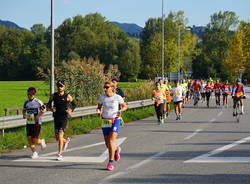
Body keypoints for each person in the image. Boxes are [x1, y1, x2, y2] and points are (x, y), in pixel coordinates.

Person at [96, 81, 127, 171]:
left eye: (107, 87)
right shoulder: (102, 97)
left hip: (115, 120)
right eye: (104, 87)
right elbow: (98, 107)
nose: (105, 89)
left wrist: (120, 111)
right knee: (107, 144)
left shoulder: (117, 97)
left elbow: (125, 106)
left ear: (112, 88)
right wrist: (98, 110)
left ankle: (110, 162)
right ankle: (116, 149)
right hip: (105, 121)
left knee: (111, 140)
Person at [47, 80, 76, 161]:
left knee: (60, 134)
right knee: (57, 138)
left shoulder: (67, 96)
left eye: (61, 86)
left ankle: (59, 153)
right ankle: (65, 140)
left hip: (64, 117)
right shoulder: (53, 95)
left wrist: (71, 110)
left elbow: (74, 104)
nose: (59, 88)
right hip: (56, 117)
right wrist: (51, 108)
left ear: (64, 87)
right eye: (58, 86)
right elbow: (48, 104)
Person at [23, 87, 46, 159]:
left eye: (31, 94)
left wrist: (38, 115)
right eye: (29, 94)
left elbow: (44, 110)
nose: (30, 95)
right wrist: (24, 115)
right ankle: (34, 153)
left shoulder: (38, 102)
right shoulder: (26, 102)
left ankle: (41, 141)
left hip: (37, 123)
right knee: (29, 138)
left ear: (34, 94)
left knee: (34, 139)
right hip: (29, 122)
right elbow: (24, 110)